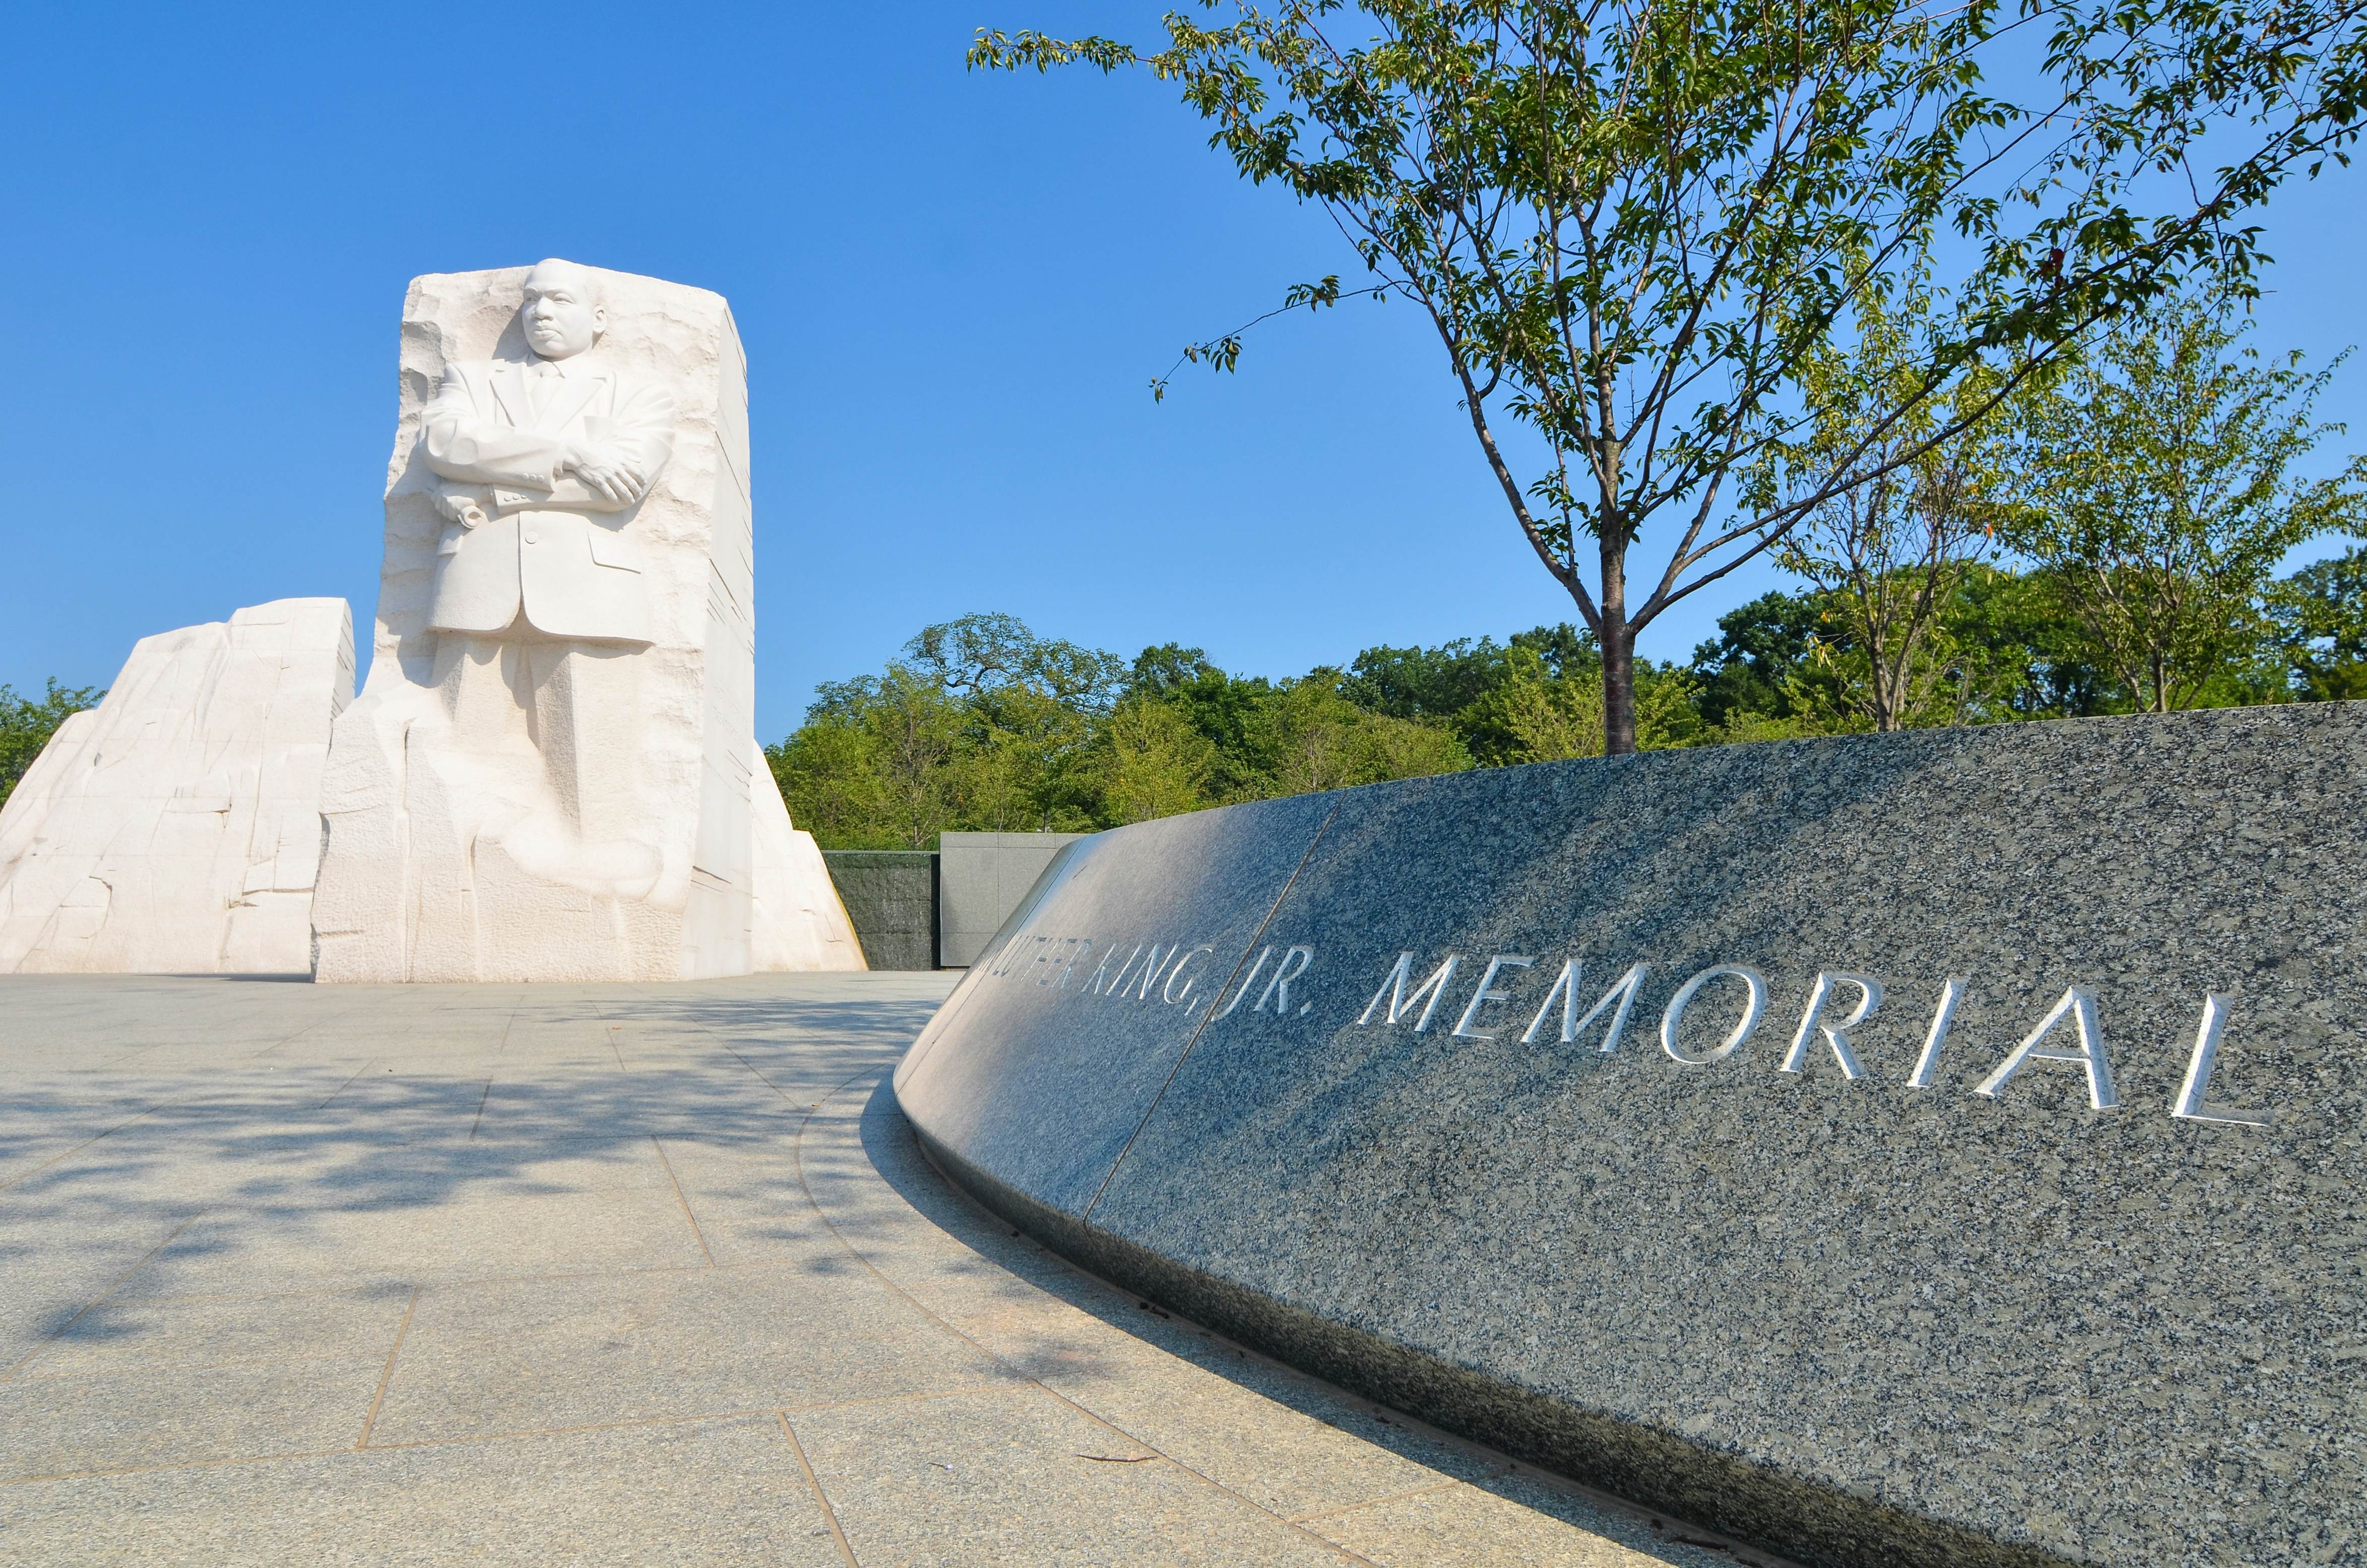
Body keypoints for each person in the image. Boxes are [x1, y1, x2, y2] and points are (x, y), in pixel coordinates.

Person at [413, 258, 679, 896]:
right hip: (478, 586)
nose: (542, 313)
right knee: (459, 752)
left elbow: (621, 490)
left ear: (599, 317)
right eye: (532, 302)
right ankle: (453, 880)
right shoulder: (470, 379)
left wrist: (497, 492)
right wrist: (566, 455)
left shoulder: (640, 393)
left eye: (559, 300)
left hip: (591, 590)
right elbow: (445, 447)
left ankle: (598, 870)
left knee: (594, 759)